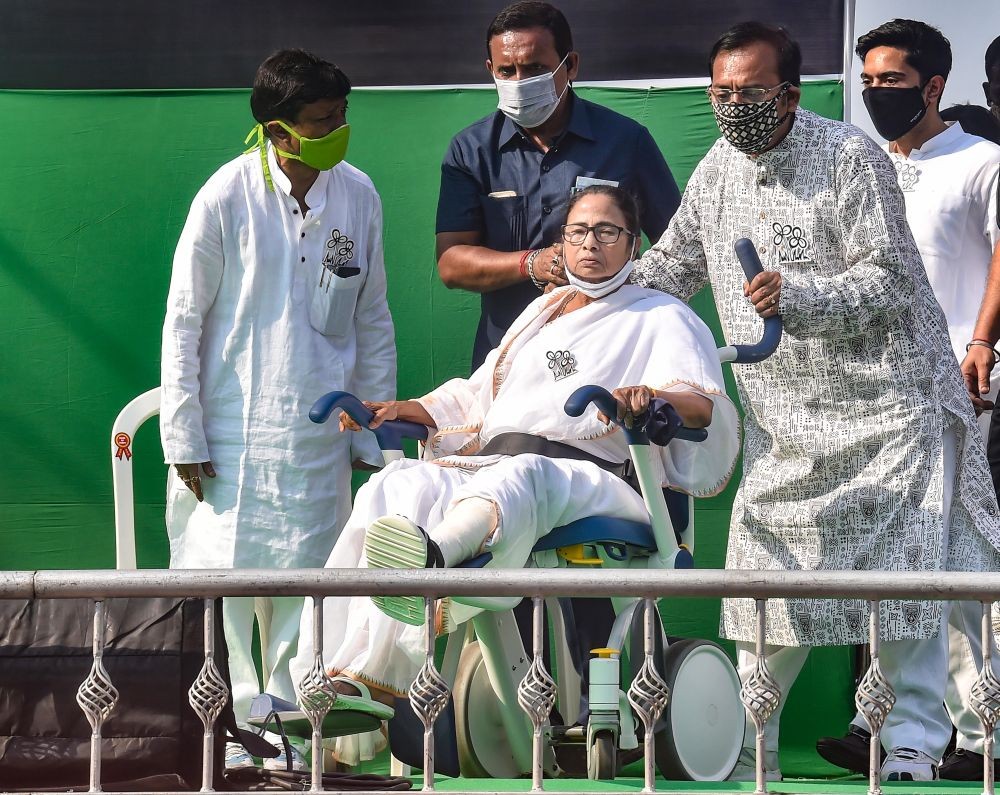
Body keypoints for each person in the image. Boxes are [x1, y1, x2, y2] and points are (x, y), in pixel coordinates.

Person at [630, 21, 1000, 783]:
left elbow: (893, 281)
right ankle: (743, 742)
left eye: (751, 93)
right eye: (720, 93)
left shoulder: (848, 157)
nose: (733, 108)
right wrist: (598, 293)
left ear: (791, 96)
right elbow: (671, 264)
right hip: (783, 425)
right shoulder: (718, 170)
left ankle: (912, 743)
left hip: (892, 410)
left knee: (902, 588)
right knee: (763, 588)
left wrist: (799, 296)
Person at [290, 185, 741, 765]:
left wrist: (649, 397)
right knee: (391, 485)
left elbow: (701, 402)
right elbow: (481, 396)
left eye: (608, 232)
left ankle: (435, 562)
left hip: (599, 478)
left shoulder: (662, 314)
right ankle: (347, 680)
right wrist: (413, 410)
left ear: (633, 243)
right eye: (578, 231)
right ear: (562, 240)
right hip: (497, 466)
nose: (591, 244)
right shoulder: (542, 311)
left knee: (522, 474)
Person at [160, 49, 396, 770]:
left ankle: (291, 747)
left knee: (307, 596)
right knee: (226, 600)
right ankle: (226, 746)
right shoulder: (225, 196)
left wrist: (371, 432)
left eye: (343, 116)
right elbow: (184, 320)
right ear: (277, 129)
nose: (339, 131)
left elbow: (372, 318)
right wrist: (183, 431)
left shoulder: (358, 194)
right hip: (227, 439)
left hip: (318, 437)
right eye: (324, 122)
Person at [816, 19, 1000, 781]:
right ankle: (896, 720)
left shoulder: (982, 161)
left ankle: (942, 734)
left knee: (945, 562)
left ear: (932, 86)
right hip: (871, 395)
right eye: (867, 81)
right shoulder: (857, 167)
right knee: (895, 562)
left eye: (891, 81)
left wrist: (982, 342)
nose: (875, 93)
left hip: (953, 388)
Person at [435, 0, 681, 370]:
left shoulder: (627, 141)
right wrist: (532, 264)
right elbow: (452, 263)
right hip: (507, 360)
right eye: (507, 70)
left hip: (611, 356)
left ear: (571, 66)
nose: (520, 83)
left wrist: (608, 281)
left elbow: (678, 249)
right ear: (491, 70)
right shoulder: (470, 151)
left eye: (535, 69)